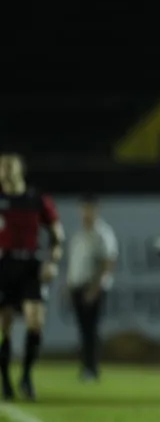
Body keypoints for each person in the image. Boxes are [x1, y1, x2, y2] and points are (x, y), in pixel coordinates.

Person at [0, 153, 64, 401]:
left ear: (20, 170)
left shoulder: (37, 200)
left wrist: (53, 261)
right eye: (2, 167)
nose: (5, 171)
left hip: (30, 265)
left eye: (9, 166)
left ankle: (26, 376)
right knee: (3, 327)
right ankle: (4, 379)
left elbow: (57, 235)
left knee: (35, 321)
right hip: (3, 265)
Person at [66, 195, 117, 381]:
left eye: (88, 209)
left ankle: (92, 367)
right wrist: (69, 284)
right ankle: (86, 366)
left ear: (95, 210)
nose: (85, 213)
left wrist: (95, 288)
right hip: (77, 287)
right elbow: (75, 263)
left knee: (91, 329)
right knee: (83, 329)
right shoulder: (79, 234)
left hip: (92, 288)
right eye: (83, 209)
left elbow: (108, 262)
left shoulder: (102, 233)